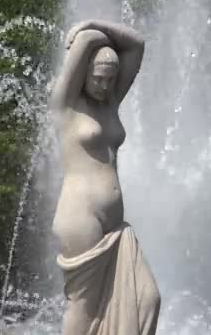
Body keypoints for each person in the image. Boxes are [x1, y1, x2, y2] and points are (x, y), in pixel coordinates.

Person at [49, 20, 160, 335]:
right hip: (81, 216)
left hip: (116, 226)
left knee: (148, 299)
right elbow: (83, 43)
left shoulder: (110, 102)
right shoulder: (66, 106)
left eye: (111, 80)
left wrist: (93, 23)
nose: (105, 86)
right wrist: (89, 33)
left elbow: (136, 44)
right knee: (83, 307)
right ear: (84, 73)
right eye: (99, 79)